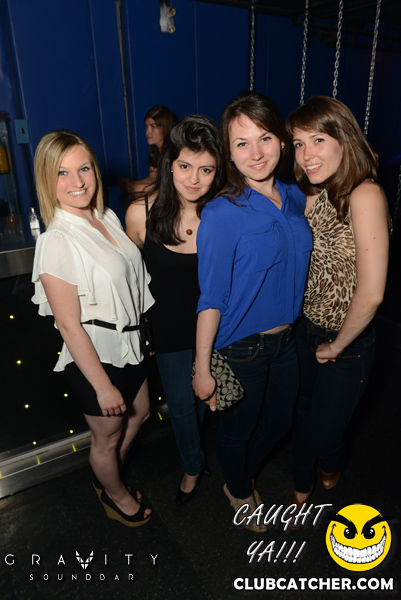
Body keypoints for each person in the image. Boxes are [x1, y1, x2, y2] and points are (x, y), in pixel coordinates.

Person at [192, 91, 313, 531]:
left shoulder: (295, 196)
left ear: (281, 140)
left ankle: (241, 469)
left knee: (279, 424)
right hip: (242, 348)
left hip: (288, 341)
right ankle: (239, 489)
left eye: (264, 138)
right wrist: (202, 367)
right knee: (237, 431)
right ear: (228, 152)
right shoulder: (221, 212)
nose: (256, 153)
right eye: (241, 143)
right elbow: (210, 297)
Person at [32, 130, 155, 527]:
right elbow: (69, 326)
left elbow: (129, 285)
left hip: (130, 343)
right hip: (97, 356)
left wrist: (143, 331)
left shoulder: (106, 218)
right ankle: (114, 494)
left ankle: (108, 473)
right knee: (107, 437)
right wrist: (102, 386)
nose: (78, 181)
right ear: (47, 180)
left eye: (84, 168)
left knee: (140, 413)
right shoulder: (56, 241)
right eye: (62, 173)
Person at [286, 96, 390, 512]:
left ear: (344, 139)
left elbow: (372, 292)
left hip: (348, 343)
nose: (306, 154)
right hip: (303, 330)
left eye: (318, 140)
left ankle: (332, 462)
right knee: (300, 417)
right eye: (298, 144)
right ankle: (300, 486)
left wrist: (338, 345)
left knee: (324, 434)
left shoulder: (365, 194)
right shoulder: (311, 193)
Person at [125, 115, 226, 505]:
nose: (194, 179)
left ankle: (197, 454)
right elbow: (131, 277)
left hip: (216, 324)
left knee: (205, 396)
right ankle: (192, 464)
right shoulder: (141, 213)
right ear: (170, 165)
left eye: (206, 169)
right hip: (167, 328)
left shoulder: (221, 214)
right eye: (185, 166)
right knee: (181, 406)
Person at [119, 105, 174, 199]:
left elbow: (170, 185)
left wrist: (136, 187)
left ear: (166, 128)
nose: (147, 132)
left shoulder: (173, 151)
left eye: (153, 127)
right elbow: (153, 177)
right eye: (146, 126)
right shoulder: (155, 149)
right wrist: (131, 184)